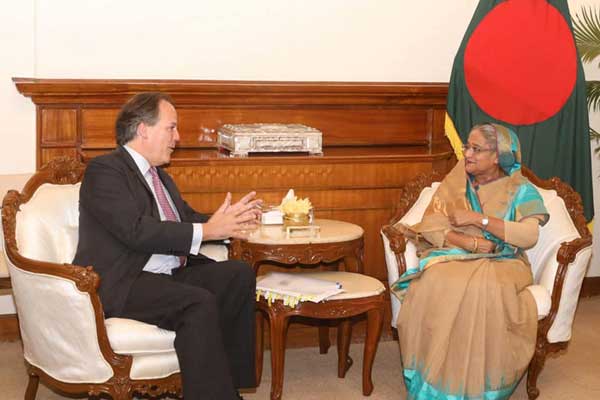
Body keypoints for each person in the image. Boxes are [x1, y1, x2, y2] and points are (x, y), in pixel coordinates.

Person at [73, 92, 261, 400]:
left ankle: (229, 387)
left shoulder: (159, 176)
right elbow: (135, 230)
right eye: (171, 128)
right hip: (124, 281)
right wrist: (207, 230)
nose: (178, 137)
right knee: (197, 302)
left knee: (237, 275)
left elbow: (186, 219)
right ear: (143, 129)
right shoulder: (105, 170)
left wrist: (230, 224)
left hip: (167, 273)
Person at [391, 123, 549, 399]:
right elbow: (430, 225)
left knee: (482, 288)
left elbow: (528, 235)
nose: (467, 154)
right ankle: (438, 381)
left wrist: (479, 220)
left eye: (476, 149)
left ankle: (478, 385)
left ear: (497, 156)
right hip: (457, 254)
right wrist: (469, 242)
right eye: (467, 147)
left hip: (504, 260)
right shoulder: (457, 181)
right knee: (433, 280)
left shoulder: (520, 189)